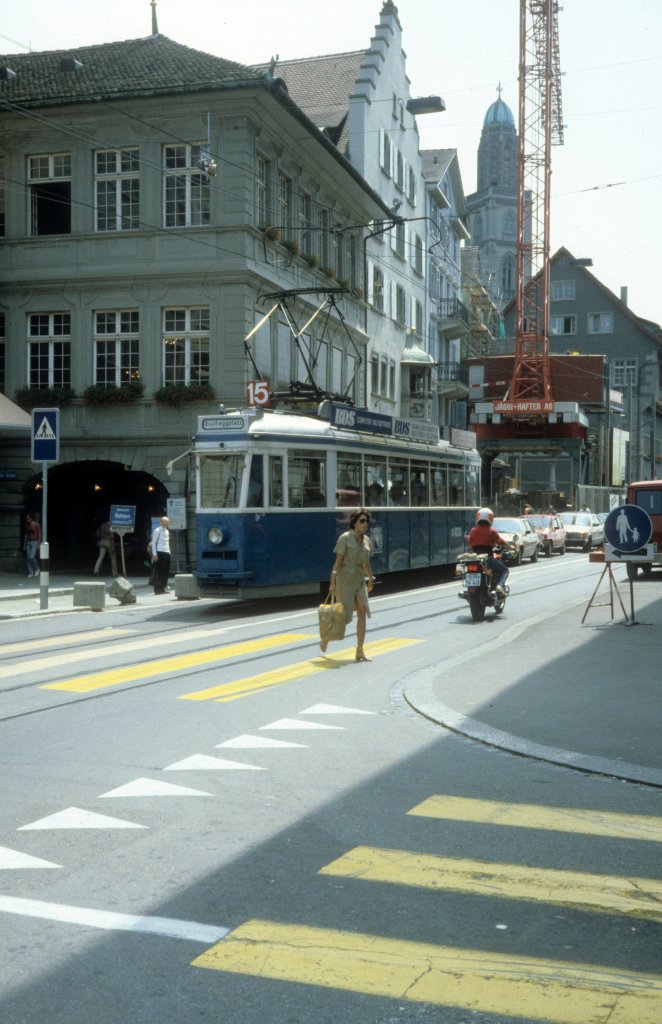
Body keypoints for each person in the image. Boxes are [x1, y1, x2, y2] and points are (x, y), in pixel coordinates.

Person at [326, 507, 375, 661]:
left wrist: (371, 578)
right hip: (345, 581)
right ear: (354, 523)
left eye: (366, 521)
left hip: (359, 581)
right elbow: (337, 563)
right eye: (362, 521)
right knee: (344, 617)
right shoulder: (345, 538)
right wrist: (332, 582)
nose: (365, 523)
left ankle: (360, 650)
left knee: (362, 612)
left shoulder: (367, 541)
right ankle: (326, 637)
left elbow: (365, 562)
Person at [467, 507, 510, 594]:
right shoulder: (491, 531)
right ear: (490, 518)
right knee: (505, 570)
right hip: (488, 558)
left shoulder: (473, 530)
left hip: (475, 558)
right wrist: (511, 547)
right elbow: (500, 541)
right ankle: (500, 585)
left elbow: (470, 541)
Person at [150, 515, 171, 594]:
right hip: (159, 552)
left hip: (167, 552)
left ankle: (162, 588)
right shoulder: (157, 530)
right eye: (164, 522)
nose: (166, 523)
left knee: (166, 571)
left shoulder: (167, 531)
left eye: (167, 522)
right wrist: (155, 554)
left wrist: (169, 553)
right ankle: (157, 589)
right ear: (161, 522)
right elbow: (153, 543)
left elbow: (167, 543)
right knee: (158, 572)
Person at [23, 514, 41, 578]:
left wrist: (38, 543)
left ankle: (37, 568)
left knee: (31, 557)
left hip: (34, 541)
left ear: (31, 518)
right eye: (27, 518)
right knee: (28, 558)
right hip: (28, 541)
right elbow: (26, 535)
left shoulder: (36, 525)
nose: (27, 520)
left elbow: (39, 534)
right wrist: (24, 544)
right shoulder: (27, 525)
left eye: (28, 518)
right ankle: (31, 572)